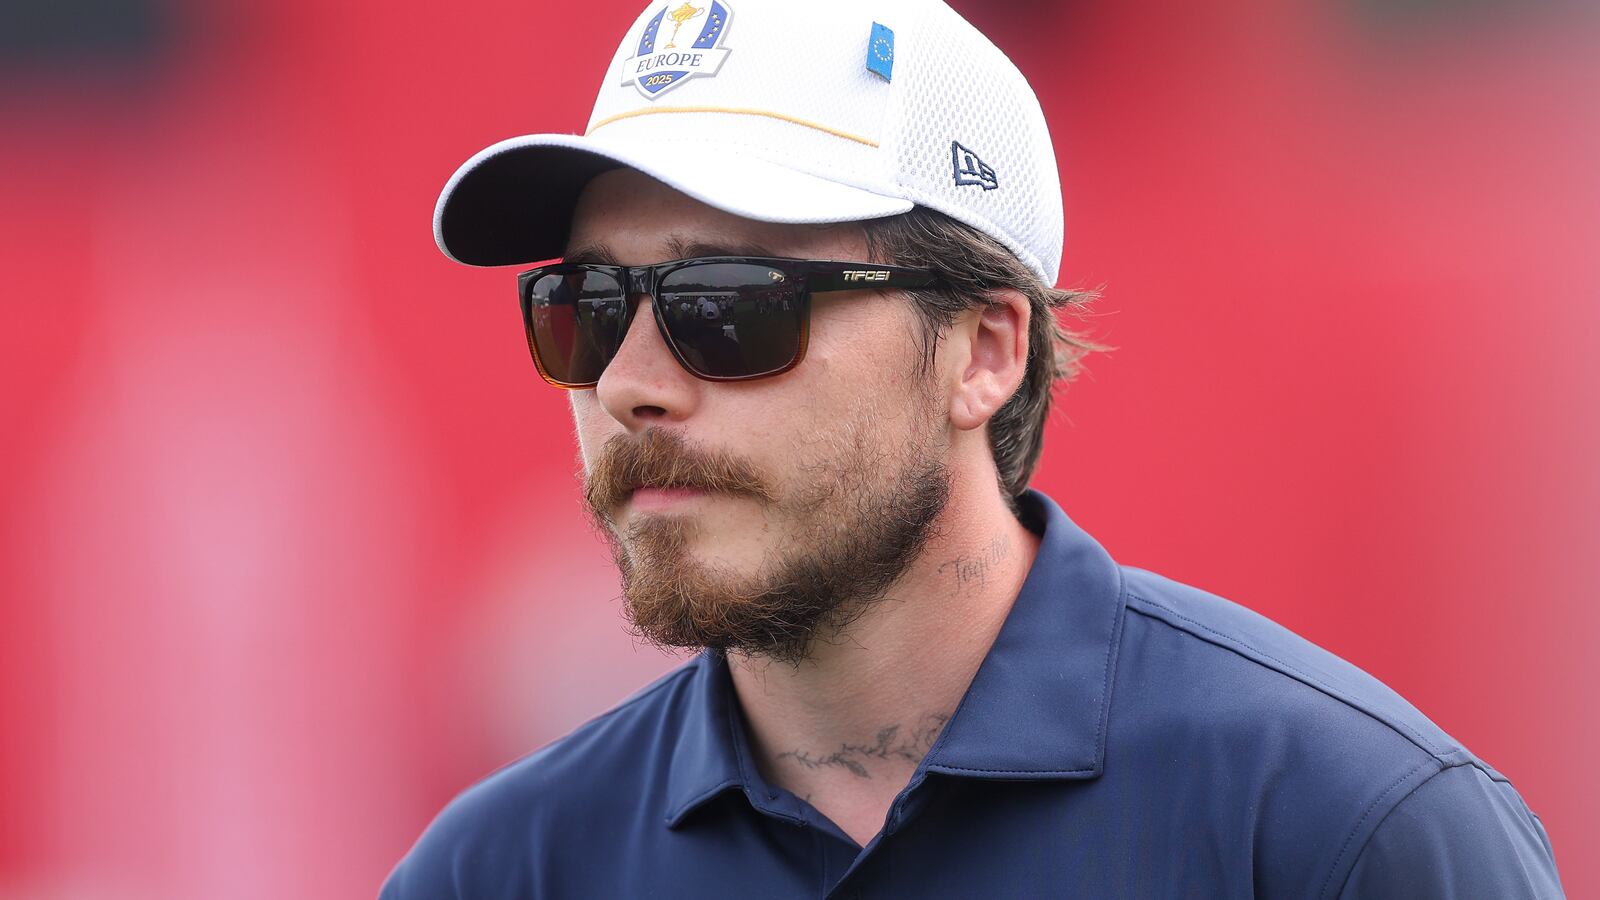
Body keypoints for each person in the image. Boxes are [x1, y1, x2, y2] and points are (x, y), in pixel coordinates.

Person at [383, 0, 1565, 896]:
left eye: (727, 302)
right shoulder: (501, 870)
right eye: (583, 308)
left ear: (984, 351)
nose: (630, 383)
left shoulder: (1337, 831)